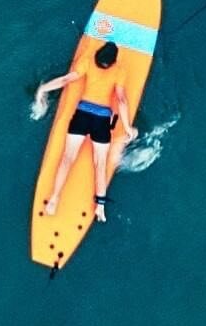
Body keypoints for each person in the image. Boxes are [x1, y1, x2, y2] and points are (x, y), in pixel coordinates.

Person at [35, 39, 137, 222]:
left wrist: (43, 88)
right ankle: (100, 207)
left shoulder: (88, 60)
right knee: (100, 164)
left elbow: (66, 79)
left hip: (82, 115)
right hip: (102, 120)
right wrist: (128, 127)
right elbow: (121, 100)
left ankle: (54, 200)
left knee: (67, 158)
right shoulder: (119, 70)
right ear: (113, 60)